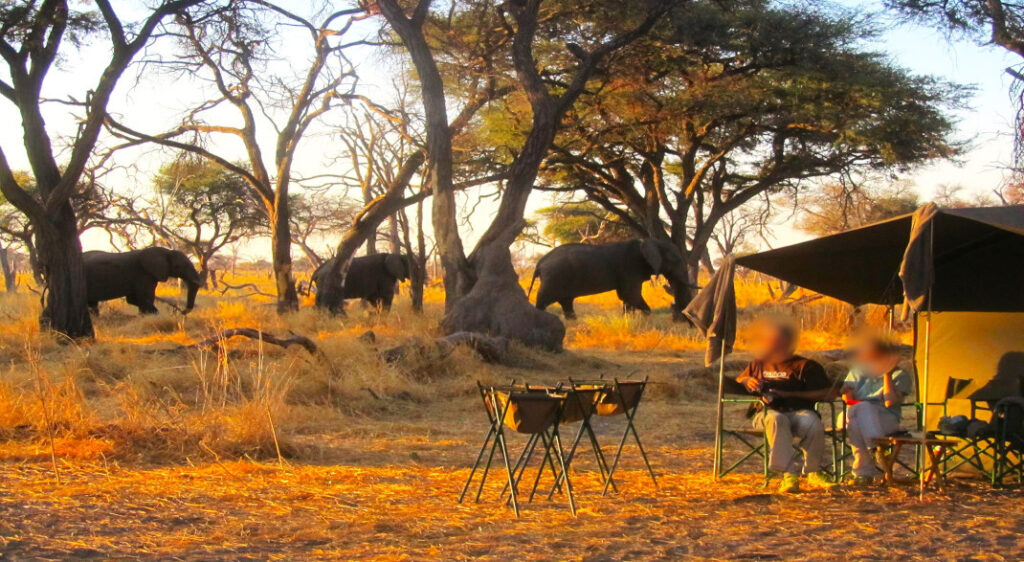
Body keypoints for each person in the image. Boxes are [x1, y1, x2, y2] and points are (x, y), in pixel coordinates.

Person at [736, 320, 835, 493]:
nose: (773, 345)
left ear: (790, 343)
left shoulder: (806, 366)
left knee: (812, 422)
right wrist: (746, 380)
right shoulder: (758, 363)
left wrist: (789, 394)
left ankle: (813, 472)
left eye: (778, 341)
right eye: (770, 341)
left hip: (799, 412)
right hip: (766, 414)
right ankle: (789, 475)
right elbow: (738, 380)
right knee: (777, 419)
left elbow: (826, 393)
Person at [840, 338, 914, 486]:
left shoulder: (900, 375)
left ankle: (863, 473)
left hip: (885, 418)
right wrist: (847, 395)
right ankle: (876, 449)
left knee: (855, 421)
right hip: (855, 411)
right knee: (860, 411)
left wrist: (887, 374)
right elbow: (848, 400)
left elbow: (890, 402)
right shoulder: (859, 371)